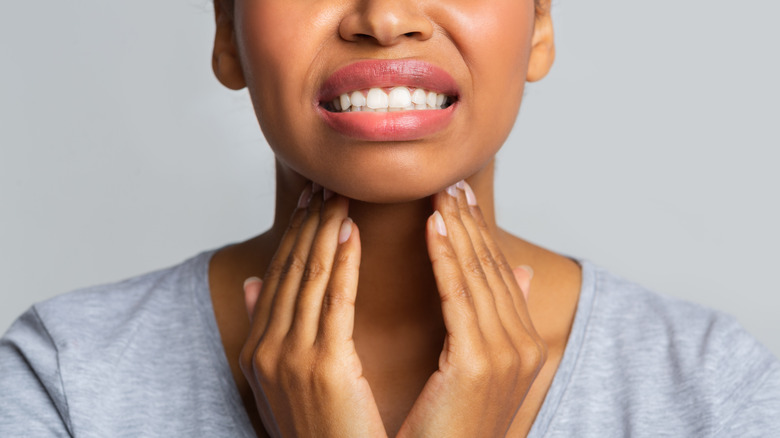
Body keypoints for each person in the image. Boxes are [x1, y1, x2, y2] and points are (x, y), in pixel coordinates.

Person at [1, 0, 778, 436]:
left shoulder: (714, 395)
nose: (385, 17)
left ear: (539, 24)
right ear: (226, 32)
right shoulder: (66, 382)